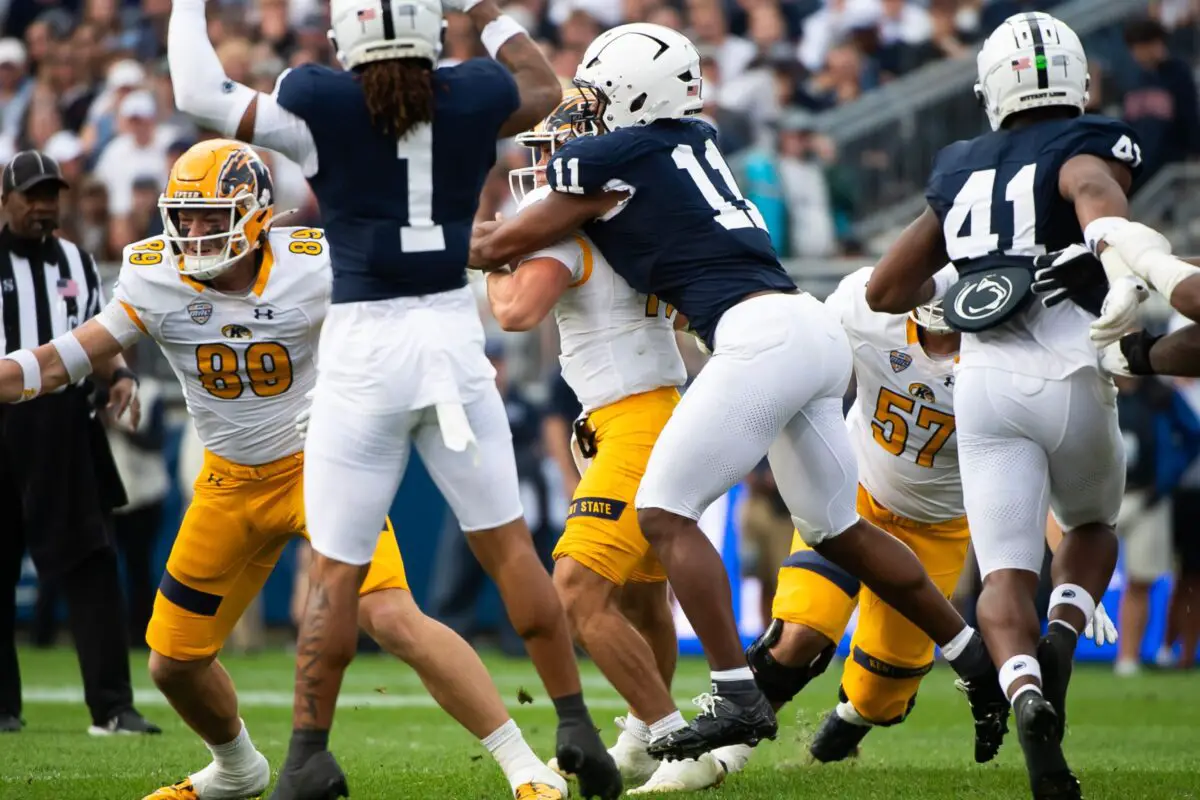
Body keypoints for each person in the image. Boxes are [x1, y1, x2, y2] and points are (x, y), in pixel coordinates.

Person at [468, 21, 1006, 764]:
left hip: (760, 339)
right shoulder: (693, 142)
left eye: (598, 97)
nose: (584, 114)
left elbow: (498, 250)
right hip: (807, 331)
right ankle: (976, 660)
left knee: (662, 514)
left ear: (632, 96)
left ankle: (735, 692)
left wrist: (409, 238)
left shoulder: (613, 155)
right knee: (839, 531)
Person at [0, 140, 568, 800]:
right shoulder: (152, 275)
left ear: (257, 214)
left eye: (213, 216)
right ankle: (237, 769)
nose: (193, 231)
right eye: (184, 216)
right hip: (228, 481)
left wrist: (496, 246)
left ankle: (524, 765)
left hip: (320, 467)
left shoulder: (311, 264)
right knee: (173, 664)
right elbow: (57, 360)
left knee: (390, 617)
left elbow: (418, 261)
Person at [164, 1, 622, 798]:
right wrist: (486, 11)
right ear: (433, 32)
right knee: (509, 548)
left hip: (366, 351)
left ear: (347, 40)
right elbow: (545, 88)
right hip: (451, 342)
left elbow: (200, 91)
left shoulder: (320, 99)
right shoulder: (474, 92)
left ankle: (308, 753)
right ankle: (575, 721)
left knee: (336, 573)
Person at [863, 12, 1153, 798]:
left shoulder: (960, 163)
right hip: (1070, 369)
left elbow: (888, 289)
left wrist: (963, 285)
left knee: (1002, 573)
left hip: (984, 386)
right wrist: (1107, 247)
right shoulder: (1088, 142)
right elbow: (1093, 193)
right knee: (1091, 528)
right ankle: (1058, 640)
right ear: (1077, 75)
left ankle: (1023, 688)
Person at [486, 91, 725, 793]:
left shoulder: (566, 233)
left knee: (577, 592)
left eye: (552, 154)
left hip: (635, 423)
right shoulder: (642, 220)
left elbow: (519, 311)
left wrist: (498, 261)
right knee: (644, 601)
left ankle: (679, 745)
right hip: (643, 412)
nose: (541, 171)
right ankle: (640, 732)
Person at [0, 149, 158, 737]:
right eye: (32, 196)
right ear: (6, 201)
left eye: (51, 196)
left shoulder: (76, 259)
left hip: (63, 421)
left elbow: (99, 336)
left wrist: (118, 376)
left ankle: (113, 707)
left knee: (92, 561)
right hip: (2, 417)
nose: (44, 208)